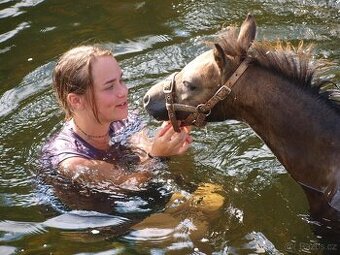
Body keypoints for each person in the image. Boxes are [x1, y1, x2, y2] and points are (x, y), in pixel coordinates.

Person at [42, 45, 192, 189]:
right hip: (100, 212)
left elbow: (145, 152)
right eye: (109, 87)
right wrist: (158, 156)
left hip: (140, 195)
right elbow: (131, 185)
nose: (124, 91)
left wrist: (169, 134)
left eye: (121, 80)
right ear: (76, 101)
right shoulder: (74, 163)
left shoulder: (123, 119)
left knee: (210, 198)